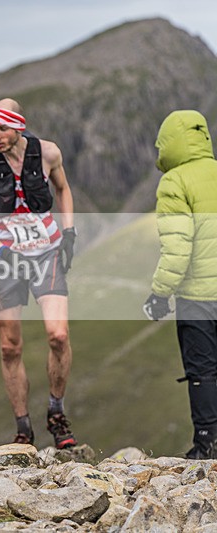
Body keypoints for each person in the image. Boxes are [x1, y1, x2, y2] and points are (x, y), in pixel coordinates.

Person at [0, 98, 78, 448]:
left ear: (19, 126)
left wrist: (69, 231)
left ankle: (56, 414)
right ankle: (23, 429)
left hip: (46, 251)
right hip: (3, 259)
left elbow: (62, 188)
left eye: (2, 128)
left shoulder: (47, 154)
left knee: (58, 335)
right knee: (9, 347)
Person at [144, 110, 217, 459]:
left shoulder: (174, 182)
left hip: (198, 296)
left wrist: (159, 293)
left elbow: (178, 247)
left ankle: (207, 444)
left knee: (203, 371)